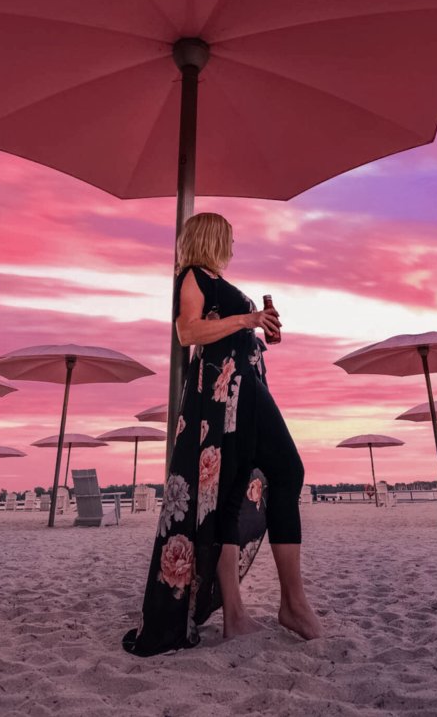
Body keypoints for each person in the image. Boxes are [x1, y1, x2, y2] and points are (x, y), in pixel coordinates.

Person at [122, 212, 322, 656]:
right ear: (211, 238)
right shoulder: (193, 276)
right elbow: (187, 331)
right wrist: (245, 321)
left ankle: (261, 610)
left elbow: (232, 330)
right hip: (224, 394)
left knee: (247, 488)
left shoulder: (216, 279)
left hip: (246, 388)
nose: (233, 246)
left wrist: (258, 326)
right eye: (228, 238)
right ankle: (269, 608)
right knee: (278, 474)